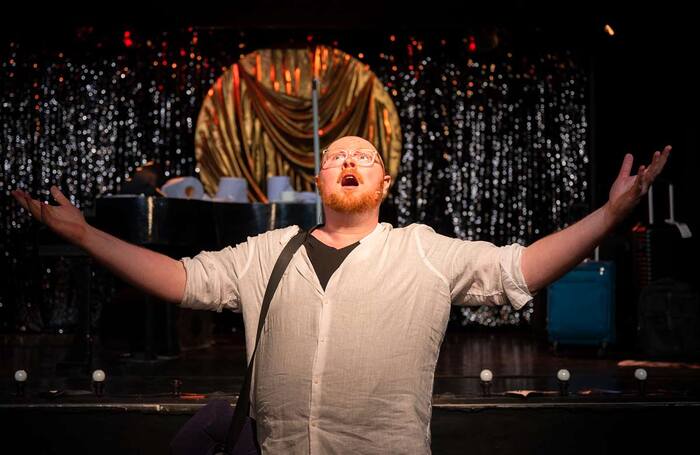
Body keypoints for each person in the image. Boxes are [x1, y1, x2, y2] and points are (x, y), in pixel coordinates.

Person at [11, 136, 670, 453]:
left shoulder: (422, 250)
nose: (348, 160)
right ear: (317, 180)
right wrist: (88, 236)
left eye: (365, 156)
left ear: (383, 184)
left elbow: (520, 268)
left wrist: (608, 219)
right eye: (334, 156)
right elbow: (183, 280)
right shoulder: (267, 253)